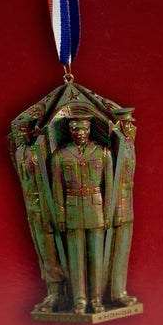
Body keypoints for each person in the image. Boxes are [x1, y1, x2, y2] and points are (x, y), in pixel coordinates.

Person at [51, 112, 113, 314]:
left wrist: (108, 213)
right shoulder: (60, 156)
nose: (80, 133)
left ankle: (96, 299)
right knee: (76, 259)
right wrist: (60, 214)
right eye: (76, 129)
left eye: (84, 128)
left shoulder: (102, 153)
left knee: (96, 259)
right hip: (72, 210)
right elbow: (57, 188)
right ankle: (79, 300)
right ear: (70, 131)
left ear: (89, 129)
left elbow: (109, 187)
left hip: (96, 209)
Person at [14, 120, 65, 312]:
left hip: (47, 209)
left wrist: (51, 213)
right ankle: (52, 292)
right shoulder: (19, 152)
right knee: (42, 252)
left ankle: (59, 293)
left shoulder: (40, 151)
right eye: (17, 132)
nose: (20, 135)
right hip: (32, 208)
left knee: (51, 252)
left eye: (23, 131)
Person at [109, 109, 137, 306]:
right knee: (116, 249)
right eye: (125, 124)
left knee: (123, 248)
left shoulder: (128, 144)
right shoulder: (115, 146)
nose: (130, 126)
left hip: (127, 202)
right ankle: (115, 293)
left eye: (130, 123)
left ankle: (119, 291)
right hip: (115, 204)